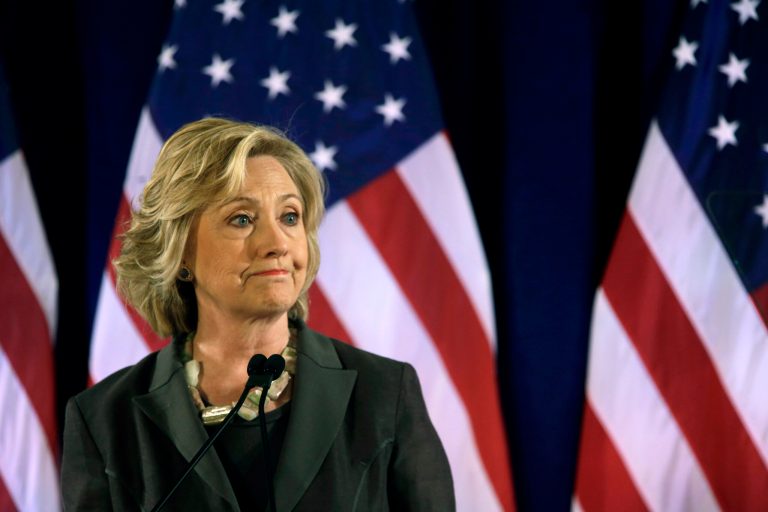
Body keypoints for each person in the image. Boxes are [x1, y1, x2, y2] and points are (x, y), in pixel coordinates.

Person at [61, 117, 455, 511]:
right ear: (180, 251)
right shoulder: (104, 421)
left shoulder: (384, 395)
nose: (277, 243)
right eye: (242, 219)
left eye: (290, 217)